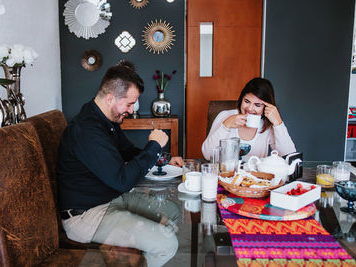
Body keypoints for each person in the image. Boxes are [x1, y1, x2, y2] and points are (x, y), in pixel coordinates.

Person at [57, 61, 182, 267]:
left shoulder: (105, 121)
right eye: (129, 104)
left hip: (110, 199)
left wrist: (164, 158)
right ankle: (143, 250)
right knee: (168, 244)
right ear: (110, 98)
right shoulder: (87, 131)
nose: (131, 110)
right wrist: (153, 146)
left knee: (172, 212)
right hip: (86, 216)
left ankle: (136, 251)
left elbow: (130, 152)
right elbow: (123, 180)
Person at [202, 77, 296, 161]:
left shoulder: (268, 125)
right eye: (247, 101)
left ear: (267, 107)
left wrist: (278, 123)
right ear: (241, 99)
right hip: (227, 176)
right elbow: (207, 155)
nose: (250, 109)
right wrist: (226, 125)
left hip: (256, 179)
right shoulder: (225, 116)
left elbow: (289, 158)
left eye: (257, 105)